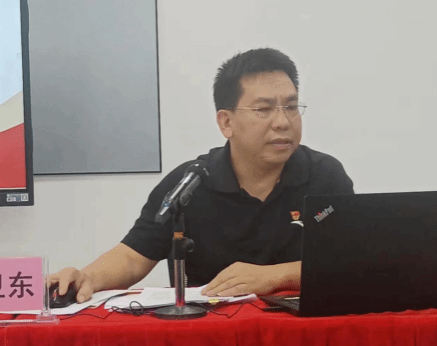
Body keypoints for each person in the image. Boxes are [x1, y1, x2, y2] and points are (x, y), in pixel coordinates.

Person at [49, 47, 353, 302]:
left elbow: (346, 261)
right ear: (226, 122)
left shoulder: (324, 176)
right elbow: (132, 257)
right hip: (210, 334)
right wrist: (87, 277)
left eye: (291, 106)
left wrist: (274, 277)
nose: (283, 122)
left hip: (300, 333)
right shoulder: (190, 183)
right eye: (264, 109)